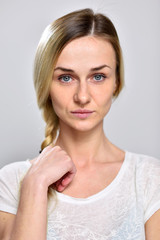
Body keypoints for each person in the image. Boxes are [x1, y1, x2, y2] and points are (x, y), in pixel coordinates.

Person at [0, 8, 160, 240]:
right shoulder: (10, 181)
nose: (82, 96)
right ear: (46, 84)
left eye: (98, 77)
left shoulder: (149, 178)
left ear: (116, 81)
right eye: (66, 78)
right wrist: (34, 184)